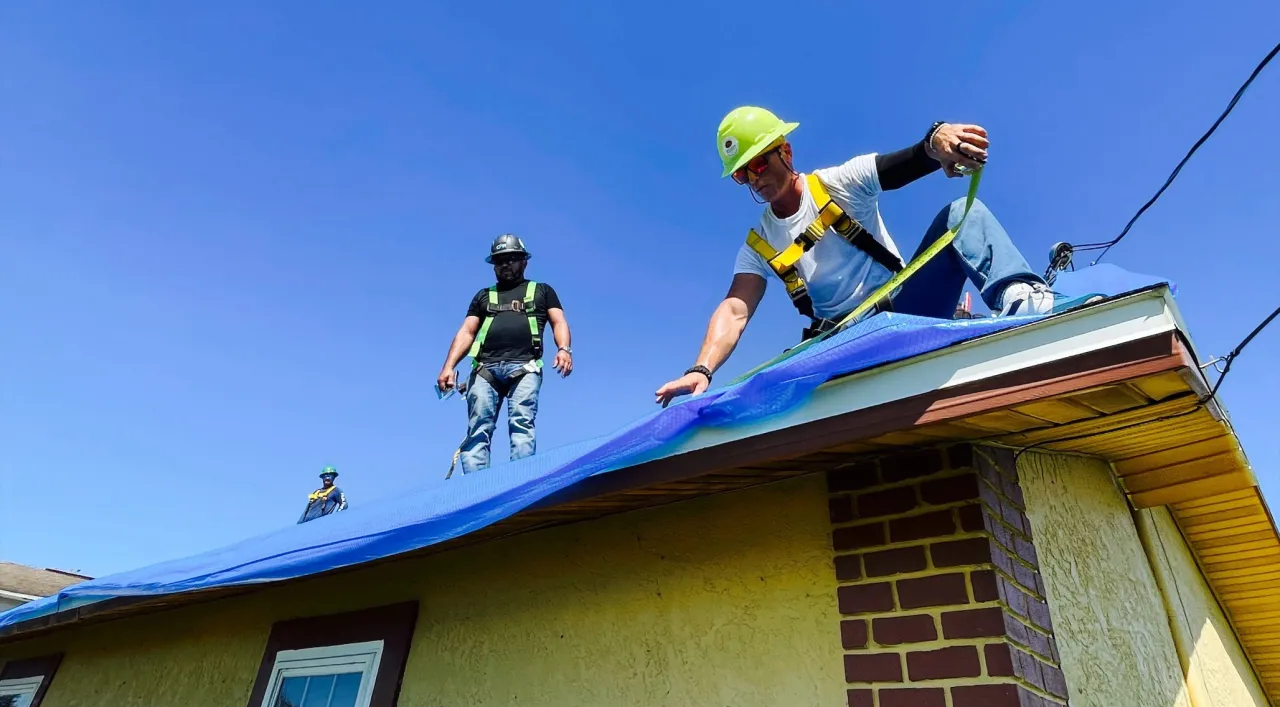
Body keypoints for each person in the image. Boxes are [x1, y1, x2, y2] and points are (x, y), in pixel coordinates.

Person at [654, 107, 1054, 407]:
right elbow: (735, 309)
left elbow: (913, 159)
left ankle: (1023, 302)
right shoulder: (759, 242)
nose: (755, 177)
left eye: (759, 162)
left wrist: (939, 139)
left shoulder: (840, 182)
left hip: (905, 311)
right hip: (842, 342)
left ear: (786, 152)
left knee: (961, 215)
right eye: (743, 174)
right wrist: (700, 369)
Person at [437, 234, 573, 473]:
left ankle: (517, 483)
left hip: (525, 367)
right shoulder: (483, 296)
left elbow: (558, 321)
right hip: (484, 370)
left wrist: (564, 349)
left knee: (521, 423)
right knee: (478, 429)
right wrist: (448, 367)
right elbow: (467, 331)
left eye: (511, 259)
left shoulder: (541, 291)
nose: (505, 265)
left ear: (524, 262)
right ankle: (476, 489)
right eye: (500, 261)